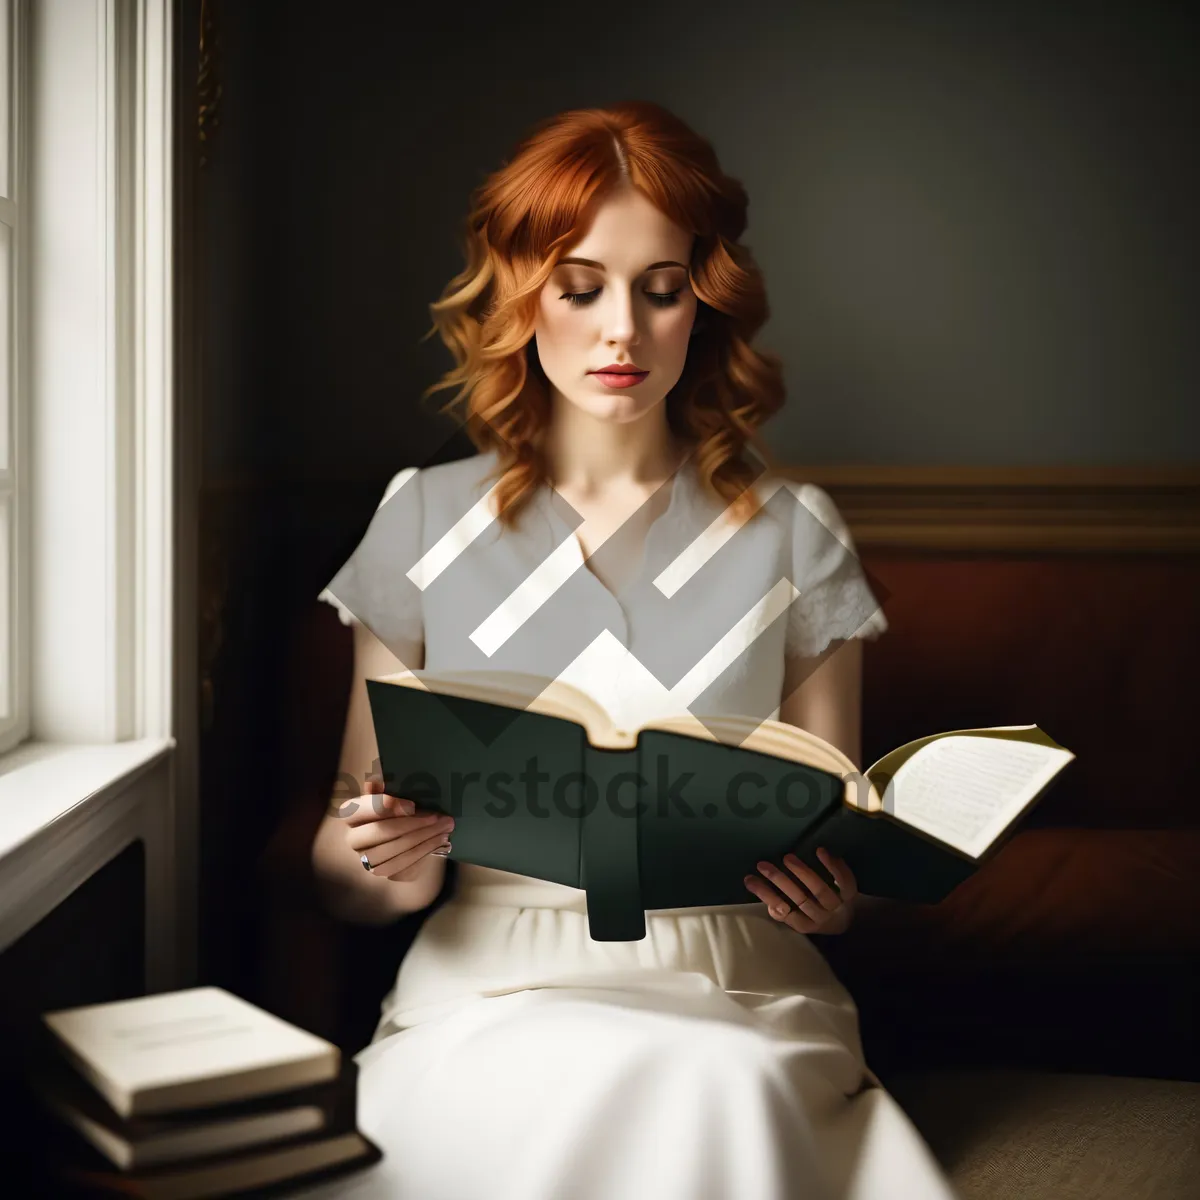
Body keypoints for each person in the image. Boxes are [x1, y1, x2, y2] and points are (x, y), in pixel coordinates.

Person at [302, 101, 958, 1200]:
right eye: (581, 286)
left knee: (713, 1083)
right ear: (522, 294)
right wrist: (385, 864)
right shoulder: (420, 517)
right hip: (486, 986)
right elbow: (341, 859)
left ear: (705, 303)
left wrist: (832, 897)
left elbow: (837, 835)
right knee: (500, 1099)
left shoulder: (796, 530)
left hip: (735, 988)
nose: (624, 332)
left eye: (662, 290)